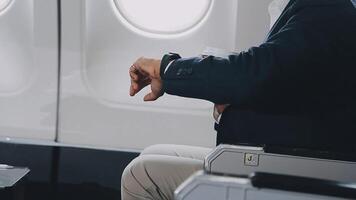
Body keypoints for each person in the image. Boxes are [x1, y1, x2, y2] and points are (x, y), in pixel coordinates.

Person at [122, 0, 356, 199]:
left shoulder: (325, 8)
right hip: (287, 157)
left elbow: (254, 75)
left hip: (302, 169)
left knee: (140, 175)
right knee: (155, 152)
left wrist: (167, 69)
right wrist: (169, 76)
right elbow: (277, 81)